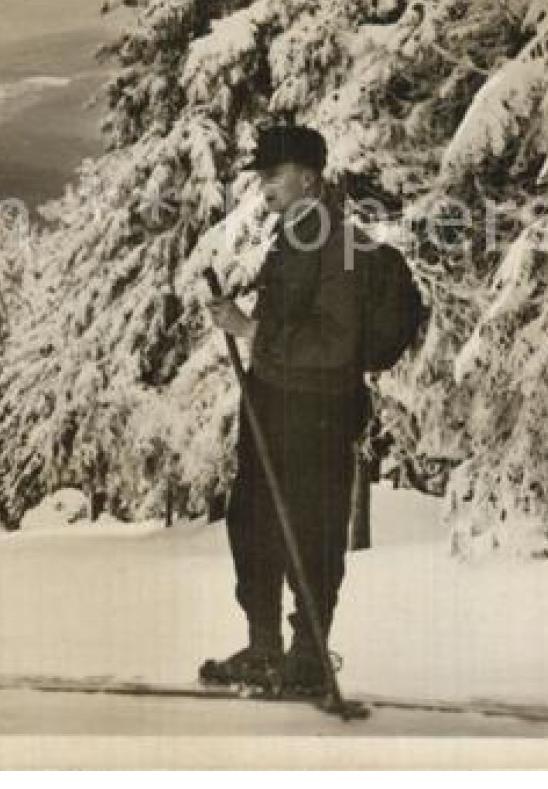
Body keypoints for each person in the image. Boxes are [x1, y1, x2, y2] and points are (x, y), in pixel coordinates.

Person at [200, 123, 372, 696]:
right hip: (271, 398)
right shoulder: (293, 233)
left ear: (307, 177)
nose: (262, 185)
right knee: (252, 519)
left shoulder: (338, 241)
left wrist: (252, 329)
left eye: (273, 174)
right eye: (259, 176)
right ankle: (264, 646)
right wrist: (246, 322)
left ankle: (308, 656)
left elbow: (337, 342)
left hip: (319, 409)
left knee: (312, 529)